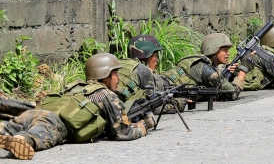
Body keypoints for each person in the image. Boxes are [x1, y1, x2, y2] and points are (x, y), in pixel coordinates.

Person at [0, 53, 147, 160]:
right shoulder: (106, 95)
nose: (119, 78)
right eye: (115, 73)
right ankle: (21, 139)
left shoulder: (75, 86)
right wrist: (142, 127)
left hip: (34, 112)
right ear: (105, 75)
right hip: (53, 122)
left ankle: (6, 131)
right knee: (37, 135)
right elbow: (121, 132)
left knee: (9, 127)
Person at [161, 33, 247, 100]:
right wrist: (244, 68)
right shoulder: (204, 68)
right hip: (159, 87)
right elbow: (232, 93)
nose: (228, 53)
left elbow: (216, 85)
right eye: (225, 50)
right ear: (214, 50)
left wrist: (230, 74)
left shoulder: (201, 64)